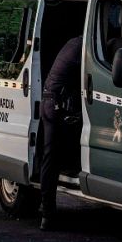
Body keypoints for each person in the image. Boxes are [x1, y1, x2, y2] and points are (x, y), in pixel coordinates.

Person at [34, 36, 83, 230]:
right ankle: (47, 214)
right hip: (56, 104)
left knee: (50, 156)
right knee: (51, 159)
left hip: (51, 101)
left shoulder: (73, 43)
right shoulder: (82, 47)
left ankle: (46, 208)